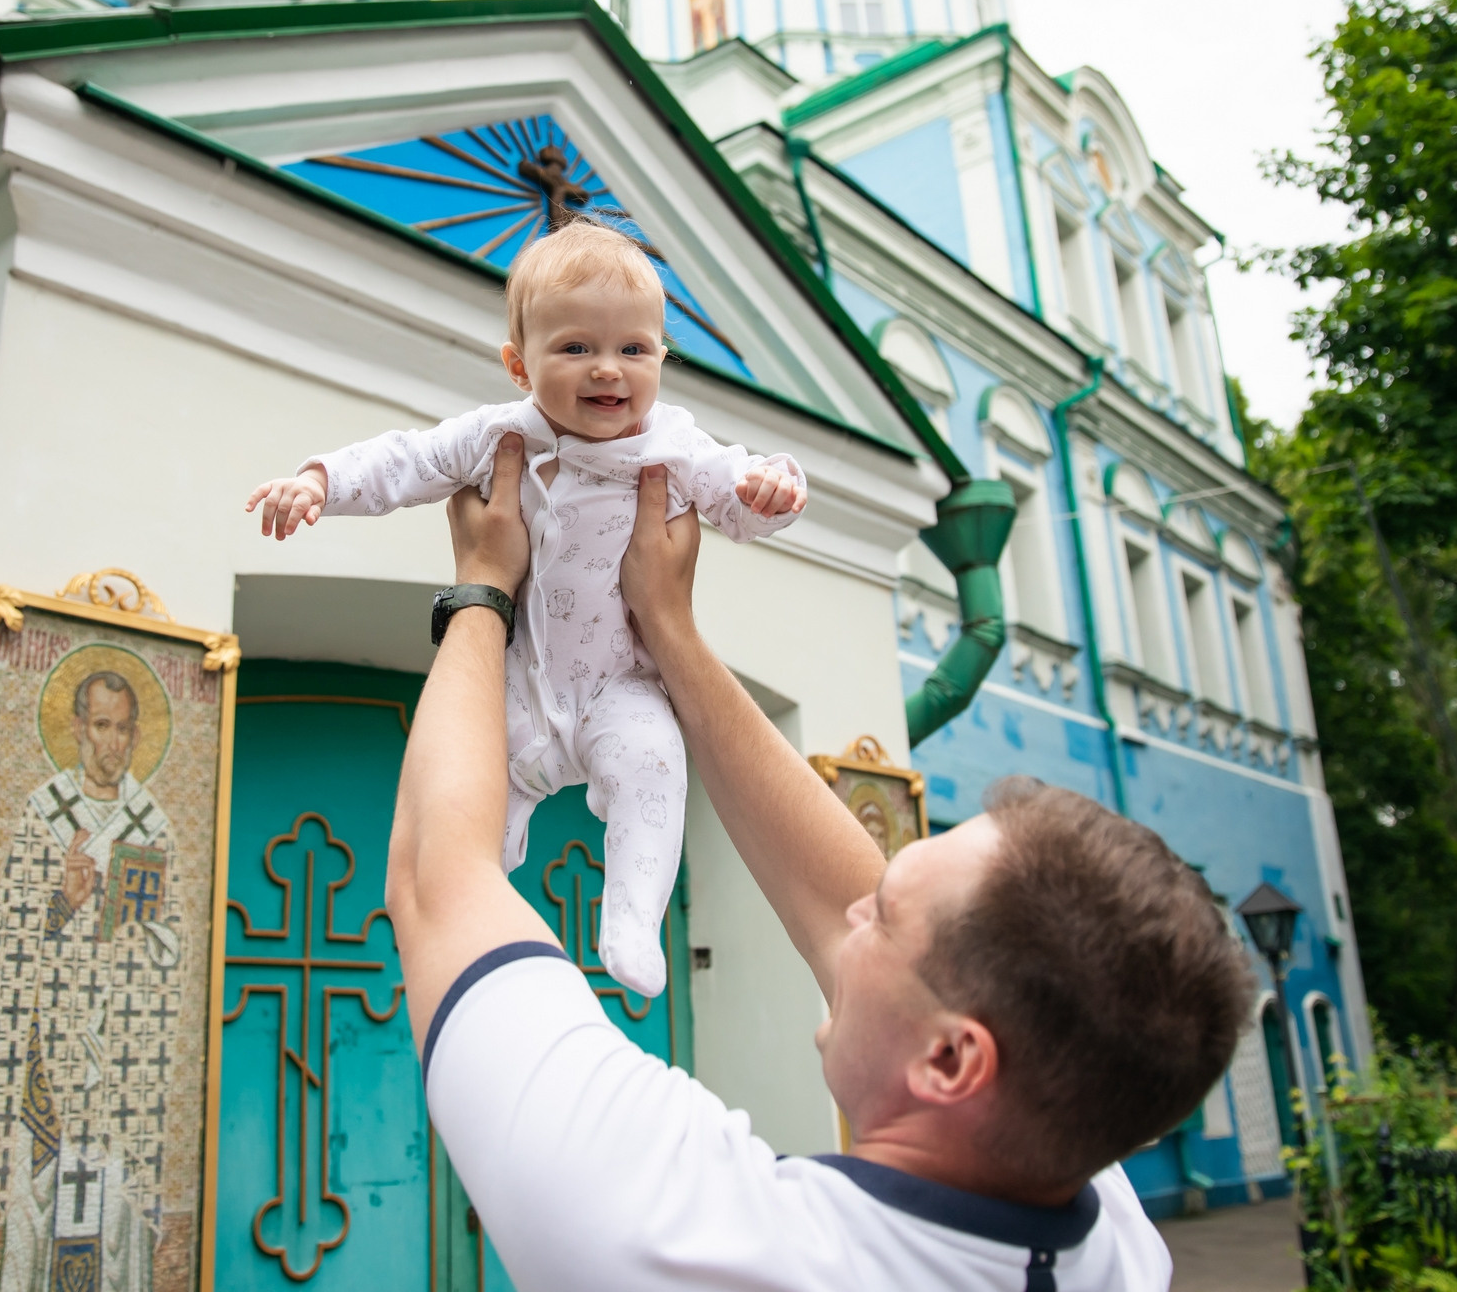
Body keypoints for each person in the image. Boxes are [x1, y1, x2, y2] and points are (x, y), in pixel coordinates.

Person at [384, 436, 1254, 1290]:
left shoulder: (685, 1235)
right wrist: (670, 633)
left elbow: (439, 880)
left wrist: (483, 588)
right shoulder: (1092, 1203)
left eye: (887, 919)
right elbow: (862, 908)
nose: (855, 912)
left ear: (952, 1062)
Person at [244, 216, 805, 996]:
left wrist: (774, 487)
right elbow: (406, 459)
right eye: (576, 348)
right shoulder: (500, 435)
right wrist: (318, 484)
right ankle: (476, 911)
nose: (608, 370)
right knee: (474, 792)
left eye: (634, 350)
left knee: (655, 766)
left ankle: (632, 916)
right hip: (523, 683)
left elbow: (740, 497)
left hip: (623, 687)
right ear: (519, 364)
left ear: (662, 358)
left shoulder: (674, 443)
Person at [0, 665, 180, 1292]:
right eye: (101, 725)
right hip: (52, 1057)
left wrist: (140, 926)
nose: (112, 743)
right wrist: (63, 904)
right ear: (76, 727)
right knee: (42, 1199)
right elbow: (5, 934)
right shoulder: (44, 813)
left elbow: (173, 943)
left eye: (124, 729)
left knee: (114, 1208)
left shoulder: (151, 823)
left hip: (123, 1058)